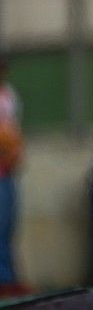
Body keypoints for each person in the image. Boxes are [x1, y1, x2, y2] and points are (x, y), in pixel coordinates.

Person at [0, 57, 24, 296]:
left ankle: (9, 277)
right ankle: (4, 278)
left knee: (8, 226)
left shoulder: (9, 95)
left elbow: (12, 131)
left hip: (7, 171)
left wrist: (14, 154)